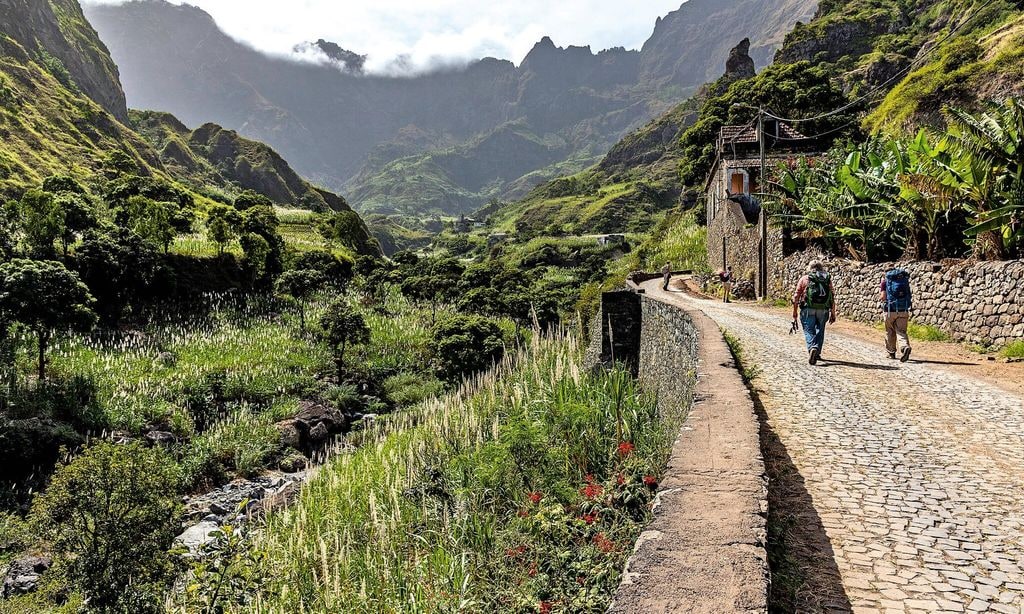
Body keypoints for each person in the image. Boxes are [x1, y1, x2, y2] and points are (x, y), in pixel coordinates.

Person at [792, 260, 836, 365]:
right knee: (820, 330)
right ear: (821, 268)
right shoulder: (826, 279)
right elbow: (832, 296)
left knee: (808, 330)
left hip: (807, 309)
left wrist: (794, 312)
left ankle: (813, 347)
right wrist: (833, 313)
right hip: (824, 309)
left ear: (809, 268)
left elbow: (796, 296)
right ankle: (817, 353)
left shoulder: (804, 279)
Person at [880, 267, 913, 362]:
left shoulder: (885, 282)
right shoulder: (903, 281)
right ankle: (904, 347)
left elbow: (883, 297)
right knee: (901, 331)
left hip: (890, 310)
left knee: (889, 331)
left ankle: (891, 352)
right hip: (904, 309)